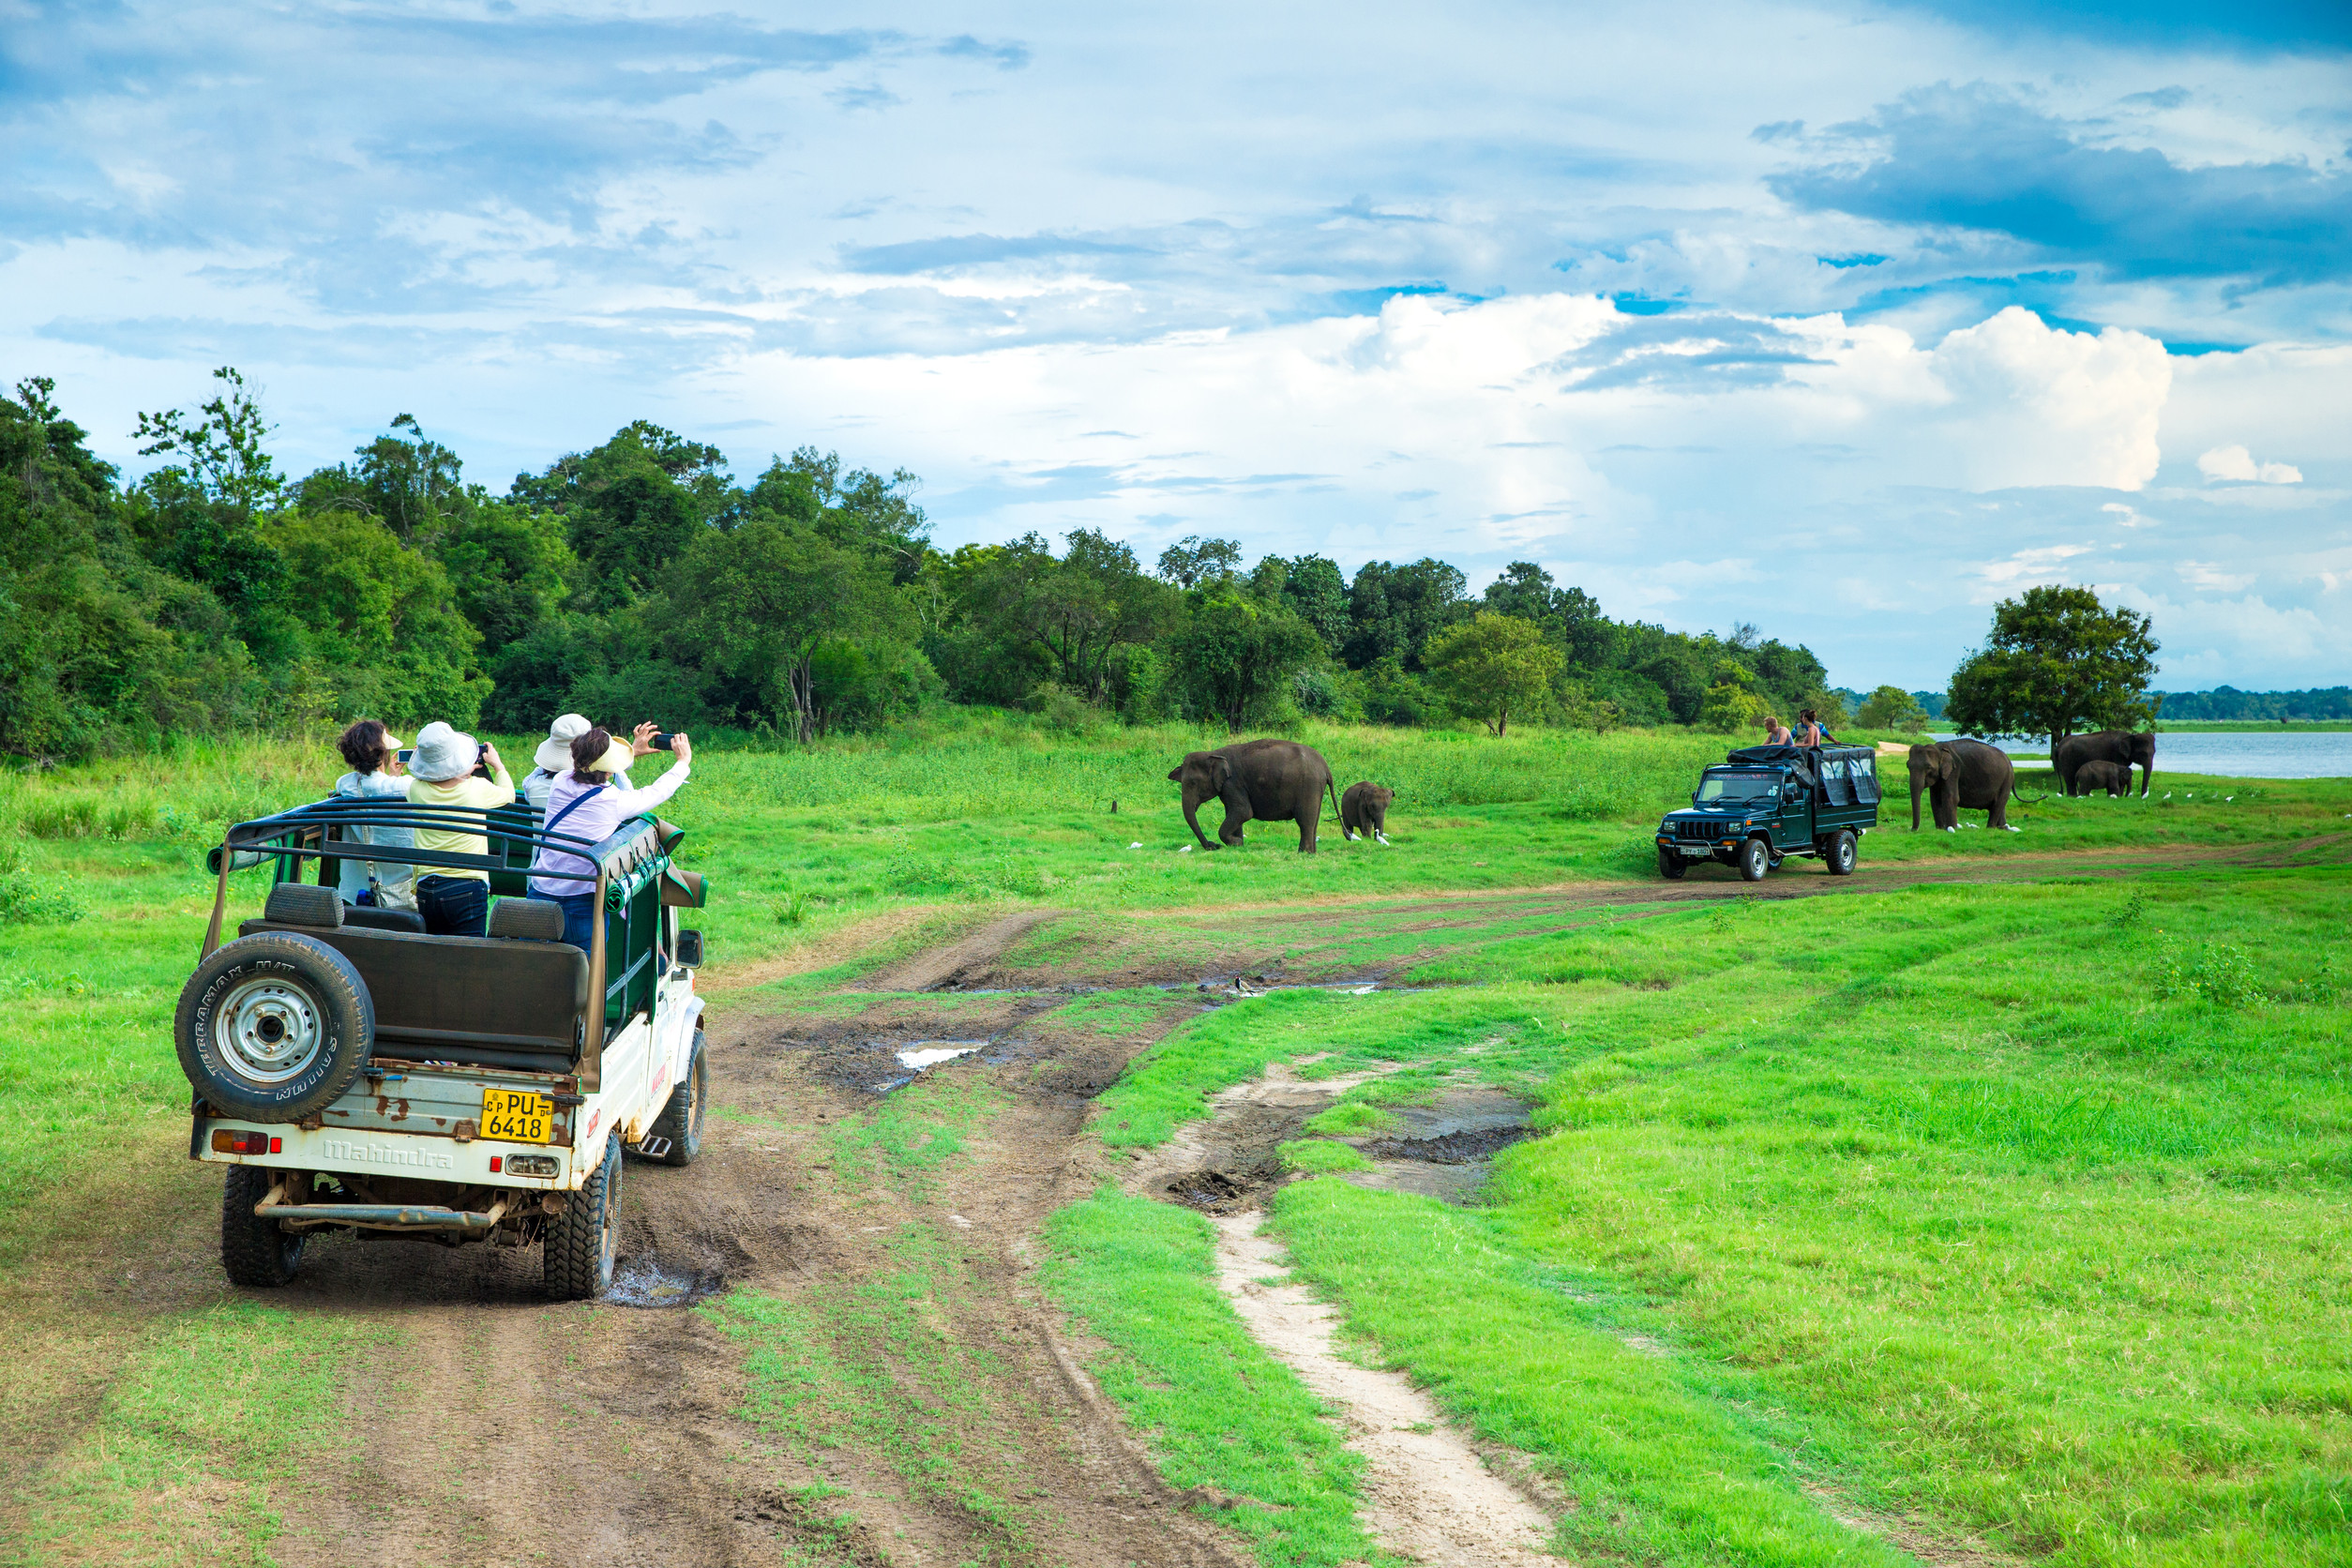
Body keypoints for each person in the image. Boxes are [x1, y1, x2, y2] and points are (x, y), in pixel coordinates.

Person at [528, 723, 694, 953]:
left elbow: (590, 768)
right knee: (584, 974)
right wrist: (682, 762)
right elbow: (657, 791)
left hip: (541, 892)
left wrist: (630, 753)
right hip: (582, 900)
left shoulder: (560, 782)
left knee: (535, 965)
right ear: (609, 770)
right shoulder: (614, 800)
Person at [404, 720, 517, 937]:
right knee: (470, 958)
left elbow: (429, 779)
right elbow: (508, 794)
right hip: (467, 885)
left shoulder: (415, 789)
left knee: (437, 953)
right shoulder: (477, 789)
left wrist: (449, 768)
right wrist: (498, 765)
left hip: (427, 886)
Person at [331, 719, 415, 910]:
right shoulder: (405, 786)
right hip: (403, 896)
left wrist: (390, 776)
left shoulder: (346, 784)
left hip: (357, 895)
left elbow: (372, 785)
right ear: (384, 753)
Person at [520, 713, 631, 811]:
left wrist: (548, 764)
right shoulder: (600, 792)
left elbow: (527, 782)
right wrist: (613, 763)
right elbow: (628, 799)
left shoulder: (533, 786)